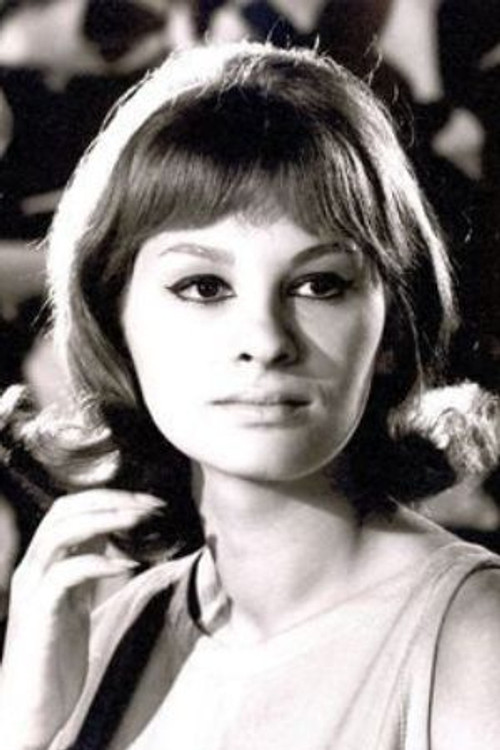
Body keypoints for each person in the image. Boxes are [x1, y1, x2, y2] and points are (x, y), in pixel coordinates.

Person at [0, 41, 499, 750]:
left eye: (320, 284)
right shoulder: (99, 639)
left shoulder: (476, 643)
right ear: (115, 320)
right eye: (204, 287)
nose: (265, 340)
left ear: (391, 327)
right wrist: (23, 732)